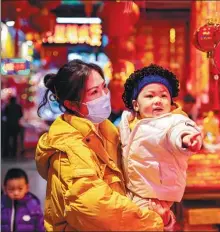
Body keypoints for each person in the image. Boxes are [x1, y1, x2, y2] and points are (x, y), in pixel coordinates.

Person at [35, 59, 170, 231]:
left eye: (103, 87)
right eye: (94, 92)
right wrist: (153, 220)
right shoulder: (67, 148)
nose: (104, 95)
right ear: (71, 104)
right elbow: (95, 206)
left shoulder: (106, 130)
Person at [119, 64, 203, 216]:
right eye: (150, 96)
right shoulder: (128, 123)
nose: (158, 100)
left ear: (171, 103)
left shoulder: (172, 121)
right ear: (136, 105)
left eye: (164, 96)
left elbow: (178, 131)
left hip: (158, 194)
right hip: (133, 189)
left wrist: (186, 139)